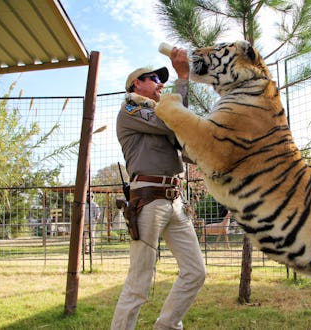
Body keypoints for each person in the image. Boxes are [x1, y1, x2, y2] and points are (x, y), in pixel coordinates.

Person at [112, 47, 206, 330]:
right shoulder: (131, 109)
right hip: (148, 199)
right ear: (135, 84)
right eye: (153, 78)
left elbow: (184, 132)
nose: (159, 83)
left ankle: (166, 326)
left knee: (195, 272)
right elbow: (173, 120)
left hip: (175, 199)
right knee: (140, 280)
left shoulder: (159, 113)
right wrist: (183, 78)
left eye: (161, 79)